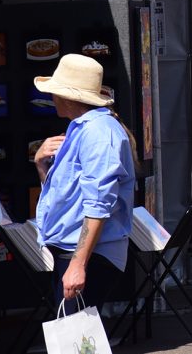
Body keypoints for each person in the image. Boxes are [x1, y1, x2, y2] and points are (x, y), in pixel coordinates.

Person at [33, 55, 136, 315]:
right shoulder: (83, 128)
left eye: (55, 92)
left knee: (77, 333)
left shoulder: (98, 131)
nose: (52, 97)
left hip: (88, 254)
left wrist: (78, 264)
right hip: (76, 251)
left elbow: (98, 204)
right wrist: (41, 165)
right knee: (75, 332)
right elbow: (67, 195)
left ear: (68, 97)